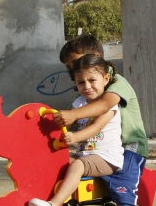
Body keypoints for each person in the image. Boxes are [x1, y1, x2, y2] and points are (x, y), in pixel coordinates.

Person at [55, 34, 148, 206]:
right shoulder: (85, 91)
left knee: (123, 193)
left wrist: (74, 115)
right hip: (98, 151)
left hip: (128, 149)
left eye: (75, 63)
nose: (72, 70)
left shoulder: (116, 82)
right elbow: (70, 118)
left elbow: (105, 105)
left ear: (96, 57)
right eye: (69, 68)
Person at [29, 54, 124, 206]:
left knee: (78, 165)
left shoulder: (108, 104)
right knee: (58, 161)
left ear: (106, 79)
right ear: (75, 83)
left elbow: (95, 128)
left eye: (92, 80)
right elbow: (68, 122)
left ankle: (54, 203)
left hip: (107, 158)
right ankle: (44, 195)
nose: (87, 86)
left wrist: (75, 137)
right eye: (81, 82)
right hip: (84, 154)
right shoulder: (79, 102)